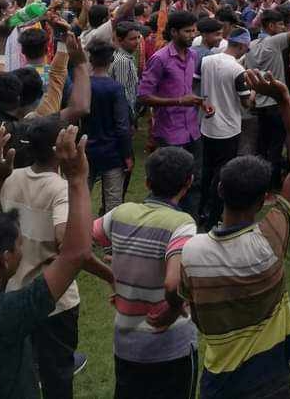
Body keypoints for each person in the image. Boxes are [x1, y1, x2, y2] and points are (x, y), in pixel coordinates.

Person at [177, 70, 290, 398]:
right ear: (266, 198)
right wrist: (283, 100)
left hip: (218, 376)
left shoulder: (191, 251)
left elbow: (184, 302)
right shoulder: (270, 240)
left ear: (219, 189)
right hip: (270, 375)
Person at [0, 121, 93, 399]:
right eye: (18, 245)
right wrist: (77, 179)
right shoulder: (8, 314)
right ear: (4, 260)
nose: (21, 248)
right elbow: (75, 254)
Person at [0, 116, 115, 398]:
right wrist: (111, 275)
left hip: (14, 294)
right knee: (57, 377)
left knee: (22, 372)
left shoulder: (11, 177)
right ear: (59, 151)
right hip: (54, 302)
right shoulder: (60, 188)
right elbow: (70, 245)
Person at [92, 147, 200, 399]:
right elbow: (173, 284)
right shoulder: (182, 225)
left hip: (127, 345)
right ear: (189, 182)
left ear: (147, 182)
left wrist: (111, 274)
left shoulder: (121, 213)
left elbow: (75, 245)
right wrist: (172, 311)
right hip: (171, 347)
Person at [137, 10, 205, 217]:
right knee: (170, 185)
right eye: (187, 31)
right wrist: (178, 101)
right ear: (174, 32)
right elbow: (143, 96)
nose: (192, 35)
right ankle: (168, 225)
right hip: (170, 132)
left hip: (193, 129)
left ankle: (189, 225)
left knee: (194, 181)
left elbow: (184, 89)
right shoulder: (160, 59)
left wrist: (198, 102)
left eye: (194, 31)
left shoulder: (192, 55)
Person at [244, 6, 290, 186]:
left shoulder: (250, 46)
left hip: (259, 105)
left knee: (262, 145)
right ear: (271, 26)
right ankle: (272, 183)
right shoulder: (273, 43)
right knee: (275, 147)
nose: (284, 28)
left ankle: (258, 181)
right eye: (281, 24)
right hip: (275, 104)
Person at [197, 28, 252, 230]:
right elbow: (246, 102)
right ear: (242, 46)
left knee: (206, 171)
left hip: (207, 124)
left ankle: (200, 210)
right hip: (228, 129)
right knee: (221, 176)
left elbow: (197, 85)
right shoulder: (238, 70)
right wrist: (255, 93)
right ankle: (213, 216)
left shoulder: (207, 60)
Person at [85, 42, 133, 215]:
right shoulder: (115, 88)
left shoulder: (83, 85)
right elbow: (122, 125)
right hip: (111, 150)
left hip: (86, 148)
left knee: (82, 194)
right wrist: (127, 154)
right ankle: (109, 237)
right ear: (111, 60)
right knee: (113, 198)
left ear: (90, 60)